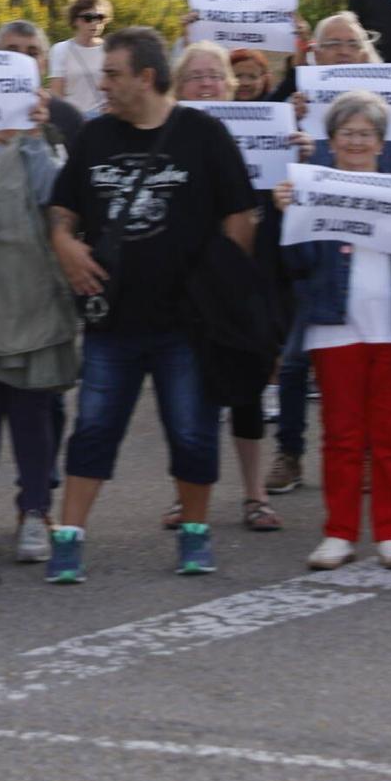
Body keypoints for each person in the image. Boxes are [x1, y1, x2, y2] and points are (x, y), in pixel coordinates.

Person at [47, 27, 258, 583]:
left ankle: (194, 534)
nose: (103, 84)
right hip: (111, 321)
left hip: (185, 325)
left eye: (113, 74)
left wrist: (218, 285)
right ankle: (68, 539)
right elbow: (63, 209)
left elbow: (239, 216)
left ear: (146, 77)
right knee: (93, 430)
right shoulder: (94, 138)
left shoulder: (204, 135)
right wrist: (64, 244)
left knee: (191, 431)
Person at [274, 91, 391, 570]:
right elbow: (297, 266)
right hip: (335, 328)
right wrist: (289, 218)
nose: (356, 142)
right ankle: (339, 533)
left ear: (382, 143)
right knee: (342, 436)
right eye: (347, 134)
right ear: (332, 141)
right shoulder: (313, 189)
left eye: (365, 134)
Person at [0, 85, 73, 567]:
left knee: (32, 417)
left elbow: (55, 195)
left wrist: (34, 135)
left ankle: (34, 513)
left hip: (30, 302)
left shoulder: (39, 146)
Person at [172, 43, 287, 535]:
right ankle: (187, 499)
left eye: (214, 76)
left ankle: (254, 496)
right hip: (187, 282)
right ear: (178, 88)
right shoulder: (169, 136)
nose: (207, 85)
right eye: (196, 77)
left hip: (245, 278)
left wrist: (295, 162)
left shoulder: (265, 128)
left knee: (245, 388)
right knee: (186, 395)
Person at [0, 20, 84, 146]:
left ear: (45, 64)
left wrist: (45, 132)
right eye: (12, 53)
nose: (22, 62)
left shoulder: (67, 116)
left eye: (32, 54)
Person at [48, 0, 113, 117]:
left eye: (100, 18)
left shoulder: (110, 49)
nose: (95, 23)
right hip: (73, 119)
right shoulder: (61, 49)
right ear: (75, 20)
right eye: (88, 18)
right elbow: (56, 93)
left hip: (103, 119)